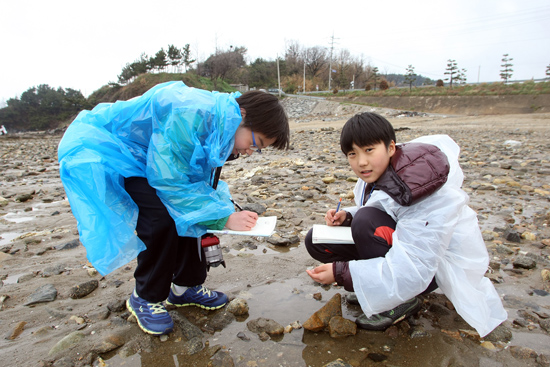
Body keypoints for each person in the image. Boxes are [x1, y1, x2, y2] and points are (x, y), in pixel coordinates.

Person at [58, 81, 290, 335]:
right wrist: (223, 218)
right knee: (161, 218)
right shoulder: (192, 112)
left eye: (258, 149)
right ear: (243, 115)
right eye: (256, 143)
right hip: (106, 149)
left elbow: (198, 186)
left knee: (192, 215)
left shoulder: (221, 125)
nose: (250, 152)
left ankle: (185, 287)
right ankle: (145, 297)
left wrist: (223, 210)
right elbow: (169, 180)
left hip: (148, 158)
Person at [305, 112, 506, 337]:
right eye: (353, 154)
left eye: (369, 150)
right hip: (405, 248)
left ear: (391, 147)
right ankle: (376, 289)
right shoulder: (381, 173)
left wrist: (341, 273)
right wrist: (347, 216)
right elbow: (386, 210)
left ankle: (401, 301)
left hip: (430, 268)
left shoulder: (420, 186)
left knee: (365, 223)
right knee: (317, 239)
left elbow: (414, 265)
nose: (361, 162)